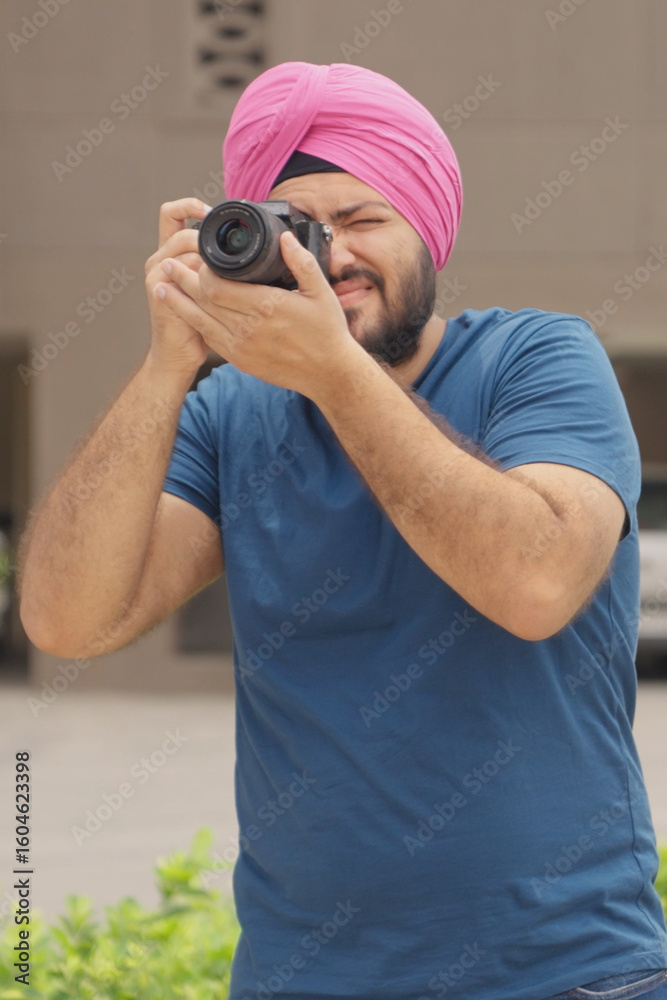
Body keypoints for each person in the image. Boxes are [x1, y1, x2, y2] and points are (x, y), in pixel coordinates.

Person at [17, 61, 667, 1000]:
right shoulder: (230, 415)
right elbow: (67, 623)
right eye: (302, 230)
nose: (335, 255)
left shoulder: (537, 358)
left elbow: (534, 586)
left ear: (429, 232)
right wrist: (169, 362)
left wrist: (331, 373)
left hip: (564, 972)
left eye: (365, 220)